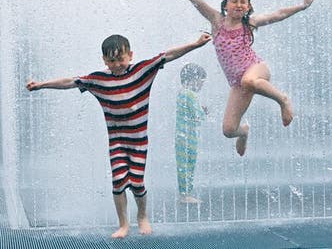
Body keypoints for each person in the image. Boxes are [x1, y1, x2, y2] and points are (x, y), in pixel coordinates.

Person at [26, 33, 211, 238]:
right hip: (117, 143)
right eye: (111, 60)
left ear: (130, 55)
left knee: (137, 182)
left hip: (139, 142)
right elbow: (70, 81)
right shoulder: (99, 80)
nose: (117, 64)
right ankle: (123, 224)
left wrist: (195, 44)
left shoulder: (142, 71)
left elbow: (167, 55)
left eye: (121, 59)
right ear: (104, 60)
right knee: (119, 181)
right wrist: (41, 85)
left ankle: (142, 216)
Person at [160, 0, 314, 157]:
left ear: (248, 7)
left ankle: (283, 100)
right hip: (238, 83)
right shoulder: (217, 22)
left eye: (243, 2)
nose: (239, 5)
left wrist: (302, 6)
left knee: (249, 80)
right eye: (234, 1)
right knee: (228, 130)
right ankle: (244, 133)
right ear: (225, 5)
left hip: (257, 69)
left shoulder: (249, 23)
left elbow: (279, 14)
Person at [175, 63, 208, 204]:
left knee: (184, 164)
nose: (202, 85)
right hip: (188, 137)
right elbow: (198, 116)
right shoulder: (190, 94)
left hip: (183, 135)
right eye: (201, 81)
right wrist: (204, 111)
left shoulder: (182, 92)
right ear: (194, 79)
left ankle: (185, 193)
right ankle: (185, 195)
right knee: (188, 165)